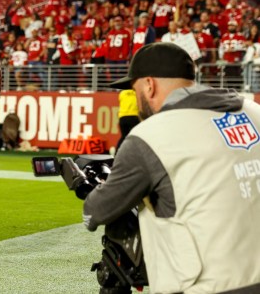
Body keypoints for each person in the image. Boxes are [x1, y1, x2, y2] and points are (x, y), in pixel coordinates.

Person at [84, 42, 260, 293]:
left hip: (212, 285)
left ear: (149, 85)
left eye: (134, 91)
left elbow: (95, 212)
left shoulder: (150, 136)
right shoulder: (253, 111)